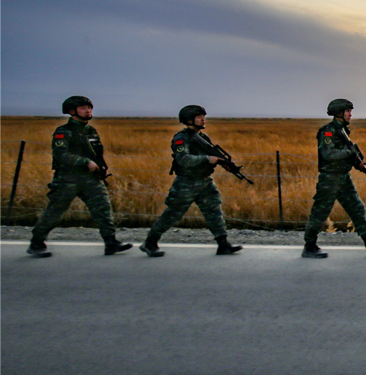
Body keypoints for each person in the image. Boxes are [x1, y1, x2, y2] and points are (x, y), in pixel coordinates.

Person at [27, 96, 133, 258]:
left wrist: (102, 167)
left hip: (91, 179)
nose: (88, 110)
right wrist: (85, 162)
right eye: (83, 108)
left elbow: (97, 153)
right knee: (55, 212)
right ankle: (36, 243)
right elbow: (61, 154)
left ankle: (111, 243)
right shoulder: (63, 132)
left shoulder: (91, 131)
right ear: (71, 111)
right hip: (67, 179)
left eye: (89, 107)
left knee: (103, 209)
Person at [139, 105, 244, 257]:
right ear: (189, 119)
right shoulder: (181, 138)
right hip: (186, 183)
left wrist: (224, 164)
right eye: (199, 116)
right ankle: (150, 243)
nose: (203, 119)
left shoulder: (203, 138)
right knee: (172, 214)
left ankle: (223, 244)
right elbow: (183, 159)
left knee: (214, 211)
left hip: (204, 182)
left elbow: (211, 157)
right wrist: (208, 159)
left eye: (203, 116)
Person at [300, 99, 366, 258]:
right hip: (330, 179)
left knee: (357, 208)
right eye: (348, 111)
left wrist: (362, 167)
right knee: (320, 212)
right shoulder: (328, 131)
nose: (351, 114)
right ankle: (309, 246)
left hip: (343, 178)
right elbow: (328, 154)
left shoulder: (343, 131)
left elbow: (349, 155)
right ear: (339, 113)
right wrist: (349, 152)